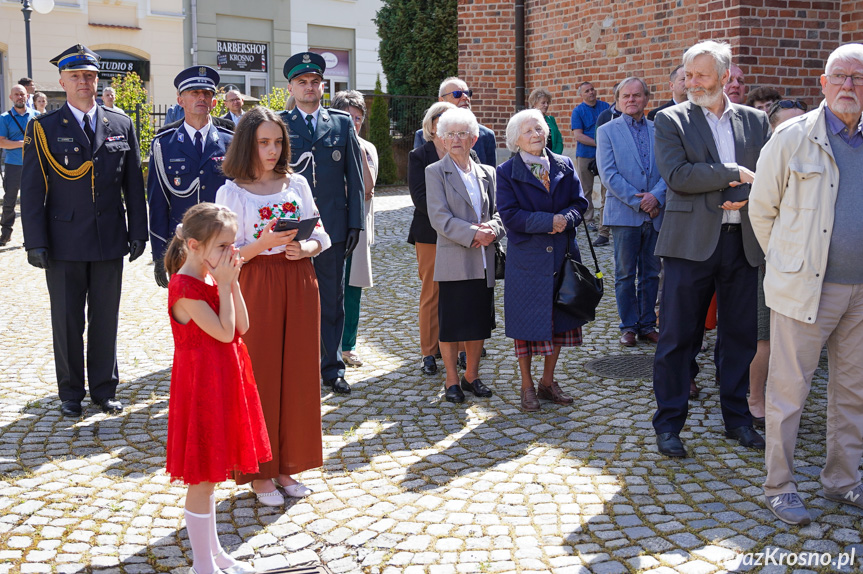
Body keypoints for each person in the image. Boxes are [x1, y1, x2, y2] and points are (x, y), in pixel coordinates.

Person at [750, 43, 863, 526]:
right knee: (789, 391)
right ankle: (779, 485)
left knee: (853, 391)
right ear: (822, 83)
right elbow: (762, 209)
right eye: (839, 76)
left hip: (861, 292)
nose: (849, 86)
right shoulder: (792, 137)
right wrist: (790, 264)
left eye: (858, 78)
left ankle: (843, 480)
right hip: (806, 290)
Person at [651, 40, 769, 458]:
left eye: (701, 75)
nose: (691, 82)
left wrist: (749, 196)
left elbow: (768, 179)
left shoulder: (756, 121)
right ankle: (668, 424)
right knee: (678, 338)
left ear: (724, 75)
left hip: (743, 243)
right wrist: (734, 174)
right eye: (688, 74)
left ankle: (737, 420)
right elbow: (679, 175)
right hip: (689, 245)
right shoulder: (670, 119)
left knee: (740, 338)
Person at [20, 44, 148, 417]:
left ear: (97, 80)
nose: (83, 83)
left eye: (89, 76)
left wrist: (136, 230)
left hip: (109, 238)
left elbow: (132, 184)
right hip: (63, 242)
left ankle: (104, 389)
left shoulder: (120, 124)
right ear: (62, 81)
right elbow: (32, 190)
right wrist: (35, 241)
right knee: (67, 319)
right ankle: (71, 393)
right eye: (75, 76)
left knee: (106, 318)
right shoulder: (43, 128)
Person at [216, 106, 330, 506]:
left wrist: (308, 246)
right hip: (255, 283)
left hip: (299, 279)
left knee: (297, 373)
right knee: (260, 375)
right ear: (248, 143)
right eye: (263, 142)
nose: (271, 149)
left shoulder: (296, 183)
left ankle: (288, 465)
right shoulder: (230, 192)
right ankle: (259, 472)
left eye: (277, 141)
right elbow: (223, 256)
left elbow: (320, 231)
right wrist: (262, 244)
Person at [163, 202, 268, 574]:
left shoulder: (213, 278)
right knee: (202, 478)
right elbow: (223, 332)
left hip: (224, 380)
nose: (232, 253)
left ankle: (215, 555)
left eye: (232, 244)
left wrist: (232, 284)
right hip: (201, 387)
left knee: (211, 479)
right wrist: (224, 285)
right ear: (193, 245)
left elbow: (242, 327)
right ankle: (202, 565)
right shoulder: (184, 286)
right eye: (223, 246)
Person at [279, 51, 365, 395]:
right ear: (291, 87)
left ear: (322, 86)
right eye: (302, 82)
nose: (310, 87)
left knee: (332, 300)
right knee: (293, 299)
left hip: (332, 229)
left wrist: (356, 224)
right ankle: (297, 365)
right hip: (291, 228)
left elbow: (355, 179)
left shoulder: (341, 123)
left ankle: (332, 368)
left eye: (315, 82)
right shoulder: (279, 124)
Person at [496, 109, 588, 411]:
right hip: (527, 260)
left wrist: (567, 219)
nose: (536, 134)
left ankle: (548, 382)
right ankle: (526, 385)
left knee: (560, 321)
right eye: (528, 131)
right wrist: (550, 221)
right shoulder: (507, 172)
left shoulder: (564, 164)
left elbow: (580, 203)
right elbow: (510, 216)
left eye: (539, 128)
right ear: (516, 141)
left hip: (562, 257)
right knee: (524, 325)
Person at [426, 108, 505, 403]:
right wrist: (474, 233)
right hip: (454, 259)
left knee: (478, 322)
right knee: (451, 324)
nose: (456, 139)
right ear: (443, 140)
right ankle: (451, 380)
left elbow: (500, 213)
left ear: (473, 139)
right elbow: (439, 217)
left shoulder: (488, 173)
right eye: (450, 134)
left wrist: (494, 230)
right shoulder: (435, 172)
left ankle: (472, 375)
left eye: (462, 134)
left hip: (482, 259)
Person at [148, 66, 234, 288]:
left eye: (207, 94)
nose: (201, 98)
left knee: (224, 311)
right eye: (194, 93)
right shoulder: (164, 144)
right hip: (183, 245)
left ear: (214, 102)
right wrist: (160, 253)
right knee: (186, 313)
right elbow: (157, 203)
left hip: (223, 246)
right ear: (180, 100)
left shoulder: (230, 142)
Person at [596, 77, 665, 347]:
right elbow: (608, 174)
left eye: (637, 95)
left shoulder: (659, 129)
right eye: (625, 96)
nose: (631, 100)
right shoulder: (607, 131)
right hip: (625, 213)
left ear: (646, 99)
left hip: (656, 211)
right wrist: (640, 202)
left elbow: (668, 169)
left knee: (651, 273)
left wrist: (656, 196)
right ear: (617, 99)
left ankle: (648, 324)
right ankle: (628, 326)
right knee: (625, 274)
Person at [408, 102, 457, 376]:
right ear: (432, 125)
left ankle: (458, 348)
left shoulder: (464, 154)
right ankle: (429, 352)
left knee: (458, 291)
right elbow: (419, 197)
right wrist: (448, 220)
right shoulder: (419, 155)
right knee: (432, 292)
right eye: (442, 120)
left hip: (459, 233)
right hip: (429, 233)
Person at [331, 90, 378, 368]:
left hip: (358, 231)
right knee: (327, 288)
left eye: (358, 118)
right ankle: (327, 345)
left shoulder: (368, 148)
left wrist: (357, 149)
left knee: (352, 290)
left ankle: (348, 346)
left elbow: (367, 189)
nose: (354, 123)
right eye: (349, 117)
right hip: (332, 229)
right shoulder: (327, 145)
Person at [413, 77, 498, 167]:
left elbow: (489, 177)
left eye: (467, 93)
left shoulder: (487, 135)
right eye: (457, 94)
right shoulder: (424, 135)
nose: (465, 97)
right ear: (442, 100)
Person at [570, 81, 611, 244]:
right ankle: (589, 220)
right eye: (587, 91)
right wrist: (599, 142)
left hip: (605, 155)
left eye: (592, 89)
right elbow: (578, 135)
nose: (591, 92)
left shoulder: (605, 107)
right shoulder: (578, 111)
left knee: (606, 189)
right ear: (582, 95)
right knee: (585, 189)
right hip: (586, 154)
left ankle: (605, 221)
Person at [0, 84, 38, 246]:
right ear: (11, 98)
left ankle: (33, 236)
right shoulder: (4, 118)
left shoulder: (37, 116)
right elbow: (2, 143)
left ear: (27, 96)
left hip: (34, 165)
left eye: (22, 94)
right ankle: (5, 233)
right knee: (9, 200)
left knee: (34, 201)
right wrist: (24, 143)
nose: (20, 97)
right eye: (16, 94)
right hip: (13, 165)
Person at [528, 88, 563, 154]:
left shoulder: (551, 120)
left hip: (552, 157)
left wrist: (555, 155)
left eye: (547, 103)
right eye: (543, 103)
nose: (546, 105)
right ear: (534, 104)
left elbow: (559, 140)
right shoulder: (529, 120)